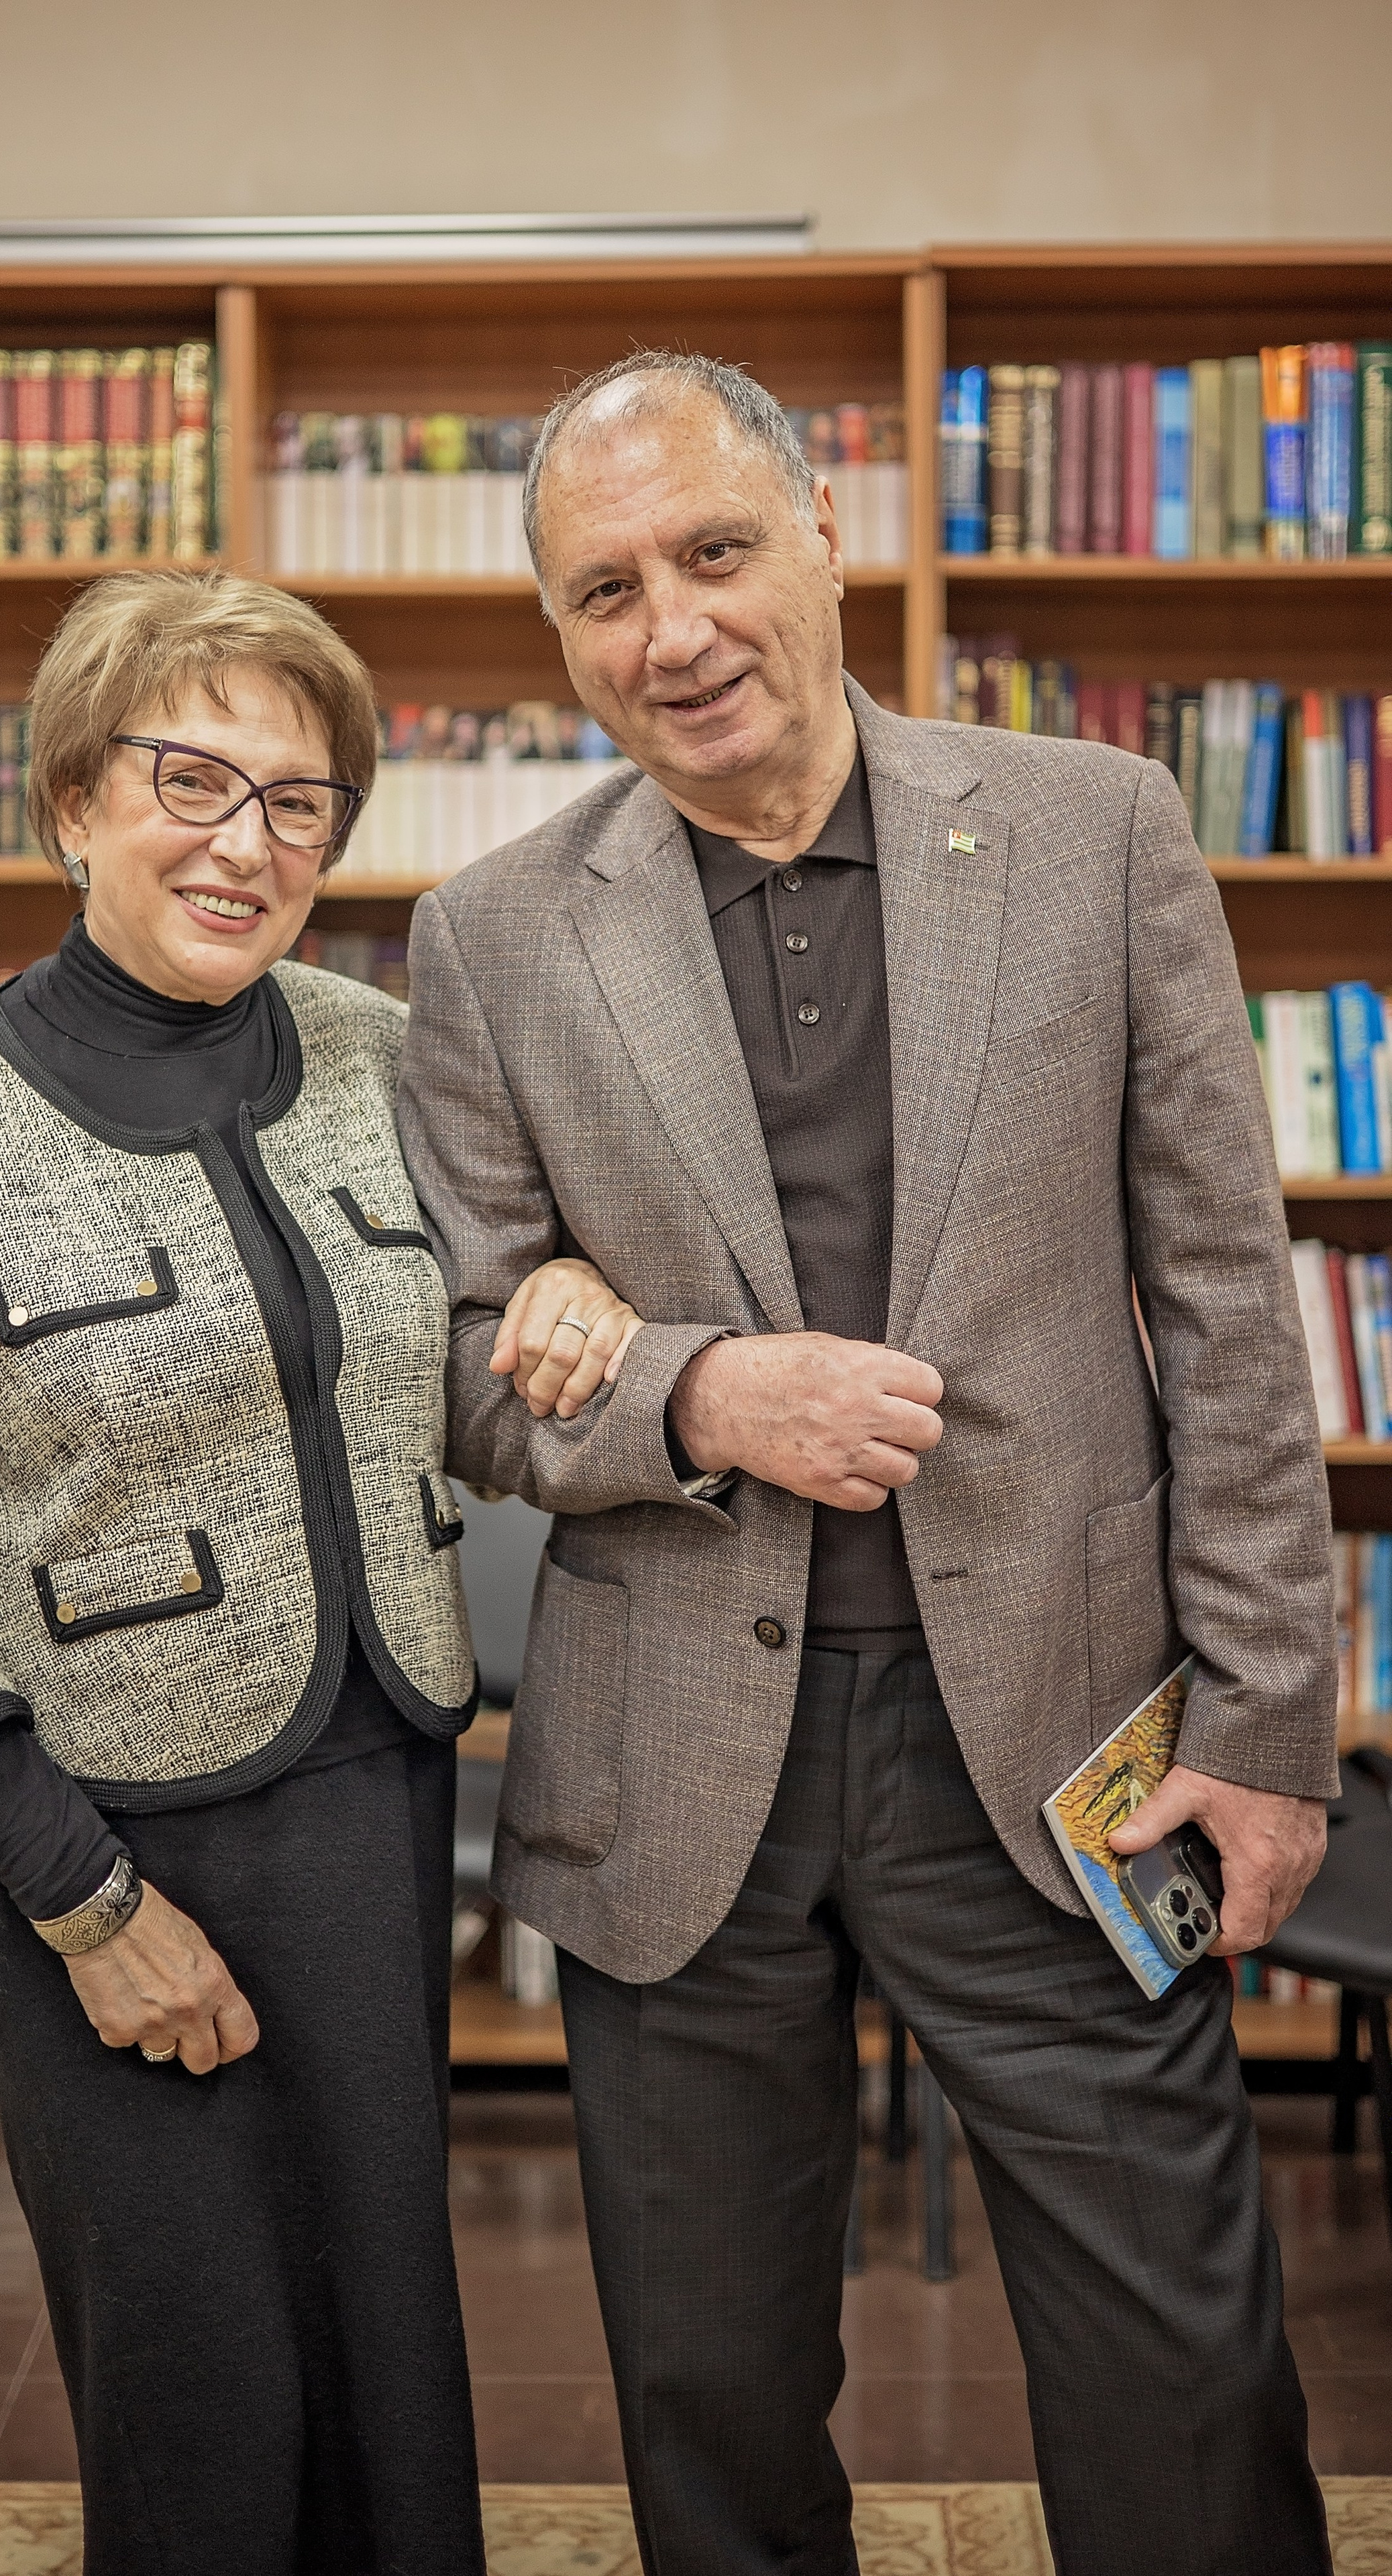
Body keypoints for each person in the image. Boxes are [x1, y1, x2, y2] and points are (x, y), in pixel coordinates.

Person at [397, 353, 1339, 2576]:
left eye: (717, 553)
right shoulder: (494, 934)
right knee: (706, 2387)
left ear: (827, 533)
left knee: (1180, 2363)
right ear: (560, 631)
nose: (674, 630)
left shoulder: (1099, 827)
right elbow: (450, 1364)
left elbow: (1228, 1301)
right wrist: (703, 1396)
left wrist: (1274, 1724)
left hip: (1064, 1724)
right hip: (668, 1752)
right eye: (604, 590)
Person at [0, 567, 639, 2576]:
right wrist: (88, 1904)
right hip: (97, 1833)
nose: (248, 845)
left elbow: (507, 1281)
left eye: (300, 802)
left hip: (369, 1792)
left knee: (387, 2347)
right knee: (195, 2375)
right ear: (75, 794)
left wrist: (573, 1275)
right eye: (192, 779)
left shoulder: (378, 1048)